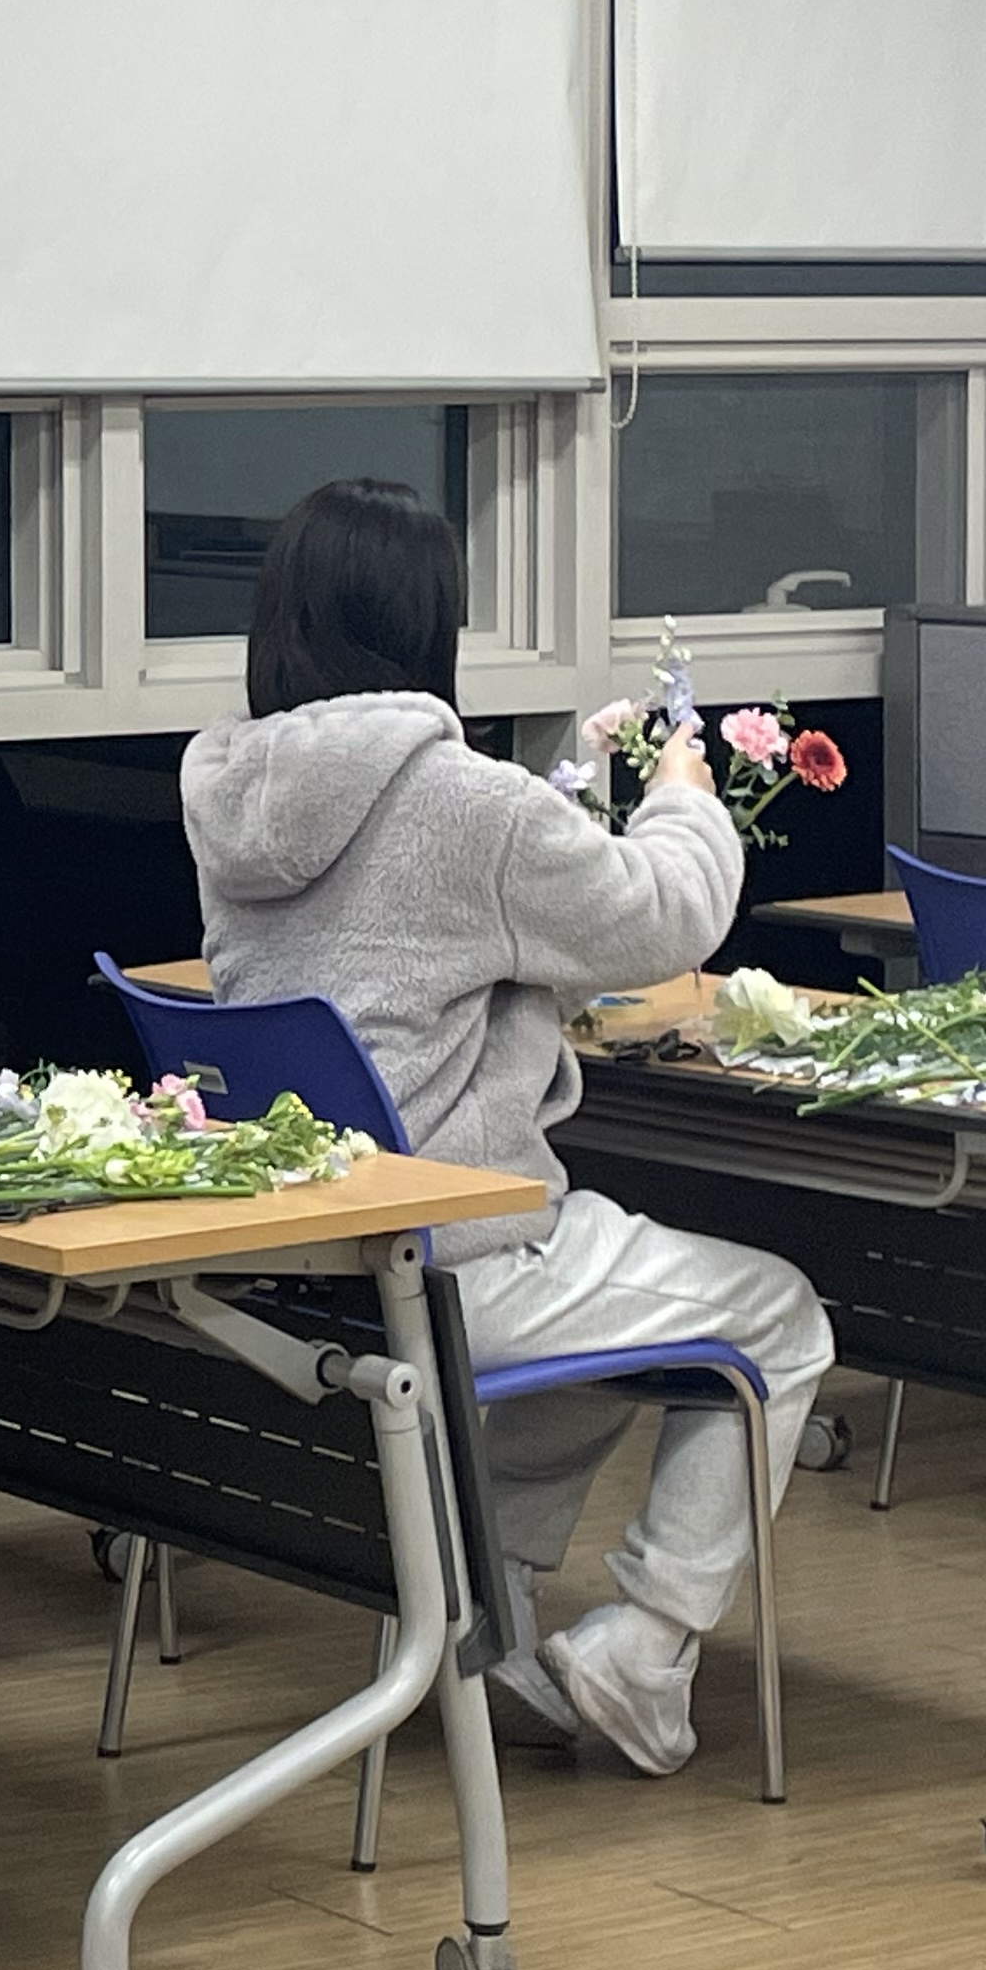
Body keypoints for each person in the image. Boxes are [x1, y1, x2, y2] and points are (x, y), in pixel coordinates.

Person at [176, 479, 833, 1779]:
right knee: (779, 1316)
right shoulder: (462, 800)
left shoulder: (226, 792)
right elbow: (667, 917)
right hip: (453, 1252)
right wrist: (685, 792)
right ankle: (644, 1649)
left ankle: (489, 1621)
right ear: (429, 622)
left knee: (598, 1329)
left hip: (305, 1261)